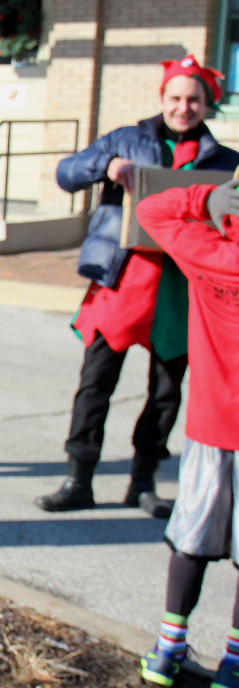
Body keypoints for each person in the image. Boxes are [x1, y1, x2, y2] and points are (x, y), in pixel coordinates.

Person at [35, 55, 239, 517]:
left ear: (207, 105)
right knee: (95, 384)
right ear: (162, 99)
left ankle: (143, 481)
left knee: (166, 392)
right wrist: (105, 165)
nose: (183, 108)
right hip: (123, 281)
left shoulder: (228, 163)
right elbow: (67, 173)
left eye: (193, 100)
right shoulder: (127, 139)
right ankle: (78, 478)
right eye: (175, 98)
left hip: (181, 290)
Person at [134, 179, 239, 688]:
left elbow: (153, 209)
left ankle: (166, 652)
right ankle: (234, 664)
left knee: (192, 536)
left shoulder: (207, 253)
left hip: (210, 424)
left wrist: (206, 199)